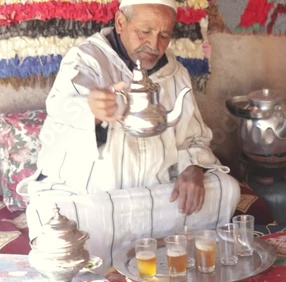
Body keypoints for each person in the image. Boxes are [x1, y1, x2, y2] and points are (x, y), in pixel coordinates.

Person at [17, 0, 240, 274]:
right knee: (51, 214)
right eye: (144, 31)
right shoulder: (86, 60)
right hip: (95, 195)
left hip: (156, 193)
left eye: (164, 35)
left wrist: (194, 168)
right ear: (120, 22)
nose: (154, 45)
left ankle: (159, 256)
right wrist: (93, 110)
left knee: (226, 187)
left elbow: (194, 138)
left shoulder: (176, 73)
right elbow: (63, 109)